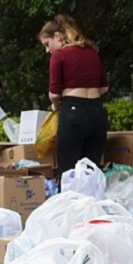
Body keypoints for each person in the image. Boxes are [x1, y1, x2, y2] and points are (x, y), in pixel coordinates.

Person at [38, 15, 109, 177]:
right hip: (97, 113)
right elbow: (104, 87)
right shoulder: (92, 52)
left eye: (47, 44)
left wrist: (55, 106)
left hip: (73, 112)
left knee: (68, 170)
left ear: (58, 36)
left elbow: (54, 93)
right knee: (91, 171)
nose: (47, 50)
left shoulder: (59, 56)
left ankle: (69, 202)